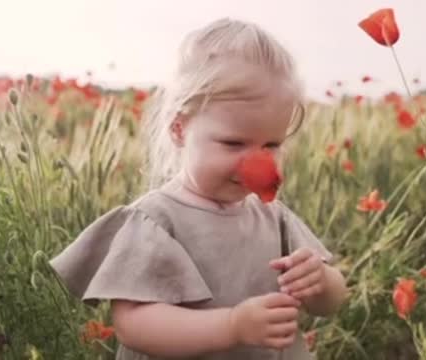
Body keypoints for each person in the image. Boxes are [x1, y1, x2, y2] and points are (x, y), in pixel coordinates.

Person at [49, 17, 348, 360]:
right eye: (234, 143)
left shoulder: (274, 218)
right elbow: (134, 324)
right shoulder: (157, 221)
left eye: (272, 145)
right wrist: (232, 326)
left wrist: (321, 281)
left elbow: (332, 302)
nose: (256, 164)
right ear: (179, 130)